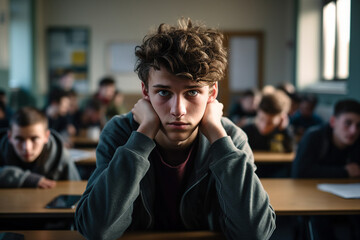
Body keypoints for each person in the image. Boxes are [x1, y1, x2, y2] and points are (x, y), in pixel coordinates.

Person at [75, 18, 275, 240]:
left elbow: (255, 233)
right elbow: (97, 230)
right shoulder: (120, 133)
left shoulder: (231, 137)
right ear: (145, 92)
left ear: (212, 93)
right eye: (163, 92)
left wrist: (219, 137)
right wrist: (143, 135)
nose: (178, 110)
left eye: (192, 92)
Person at [292, 99, 360, 240]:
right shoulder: (313, 136)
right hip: (313, 196)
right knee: (319, 219)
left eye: (359, 126)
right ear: (333, 122)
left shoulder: (358, 141)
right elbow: (300, 172)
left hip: (350, 196)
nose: (354, 131)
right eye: (348, 123)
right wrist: (345, 172)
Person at [0, 107, 80, 188]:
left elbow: (76, 191)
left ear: (46, 136)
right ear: (9, 137)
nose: (27, 148)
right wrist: (24, 179)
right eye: (19, 139)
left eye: (34, 139)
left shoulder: (61, 155)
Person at [242, 89, 294, 153]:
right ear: (257, 112)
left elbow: (291, 152)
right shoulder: (245, 132)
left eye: (270, 123)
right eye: (261, 119)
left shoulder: (283, 132)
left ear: (280, 119)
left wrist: (285, 130)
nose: (264, 126)